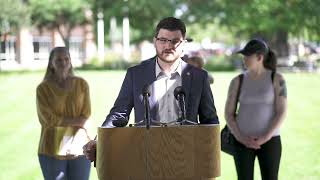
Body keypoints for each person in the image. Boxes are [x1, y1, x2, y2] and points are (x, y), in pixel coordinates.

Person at [83, 17, 219, 161]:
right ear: (155, 41)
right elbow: (119, 114)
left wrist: (209, 156)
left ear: (183, 44)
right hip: (147, 157)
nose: (168, 46)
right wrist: (100, 140)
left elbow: (209, 120)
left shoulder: (199, 77)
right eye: (163, 40)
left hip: (186, 158)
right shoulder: (136, 74)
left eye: (175, 41)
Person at [224, 39, 287, 180]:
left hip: (271, 140)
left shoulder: (277, 79)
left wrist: (265, 137)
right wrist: (241, 137)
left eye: (248, 56)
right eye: (244, 55)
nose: (244, 59)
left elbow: (281, 112)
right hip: (241, 141)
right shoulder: (237, 81)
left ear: (259, 57)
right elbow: (229, 114)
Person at [36, 47, 92, 180]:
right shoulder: (43, 88)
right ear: (51, 63)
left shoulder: (81, 84)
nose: (63, 62)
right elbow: (47, 119)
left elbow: (86, 114)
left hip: (80, 146)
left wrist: (63, 121)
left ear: (71, 61)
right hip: (51, 148)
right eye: (59, 60)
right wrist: (77, 121)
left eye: (66, 59)